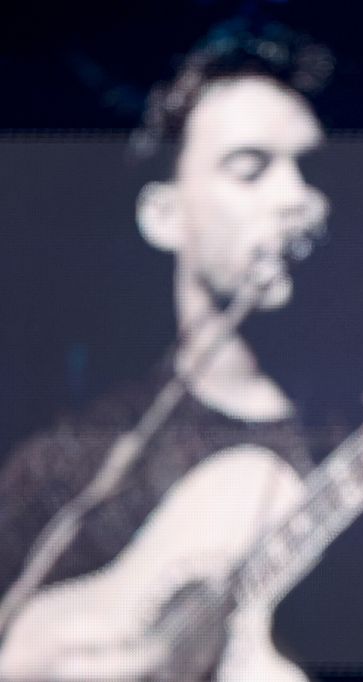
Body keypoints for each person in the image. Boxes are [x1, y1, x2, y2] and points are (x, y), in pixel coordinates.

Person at [0, 24, 332, 680]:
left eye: (310, 169)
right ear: (164, 215)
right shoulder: (73, 462)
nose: (297, 199)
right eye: (251, 168)